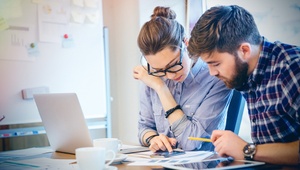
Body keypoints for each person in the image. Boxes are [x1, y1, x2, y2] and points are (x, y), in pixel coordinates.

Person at [188, 5, 300, 165]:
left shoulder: (291, 70)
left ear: (245, 50)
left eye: (216, 63)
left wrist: (247, 150)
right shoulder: (246, 72)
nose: (212, 73)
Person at [133, 6, 232, 153]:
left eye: (173, 65)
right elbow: (144, 128)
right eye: (160, 70)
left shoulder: (215, 77)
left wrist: (161, 88)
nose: (169, 76)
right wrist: (153, 139)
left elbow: (190, 142)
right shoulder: (152, 76)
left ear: (186, 43)